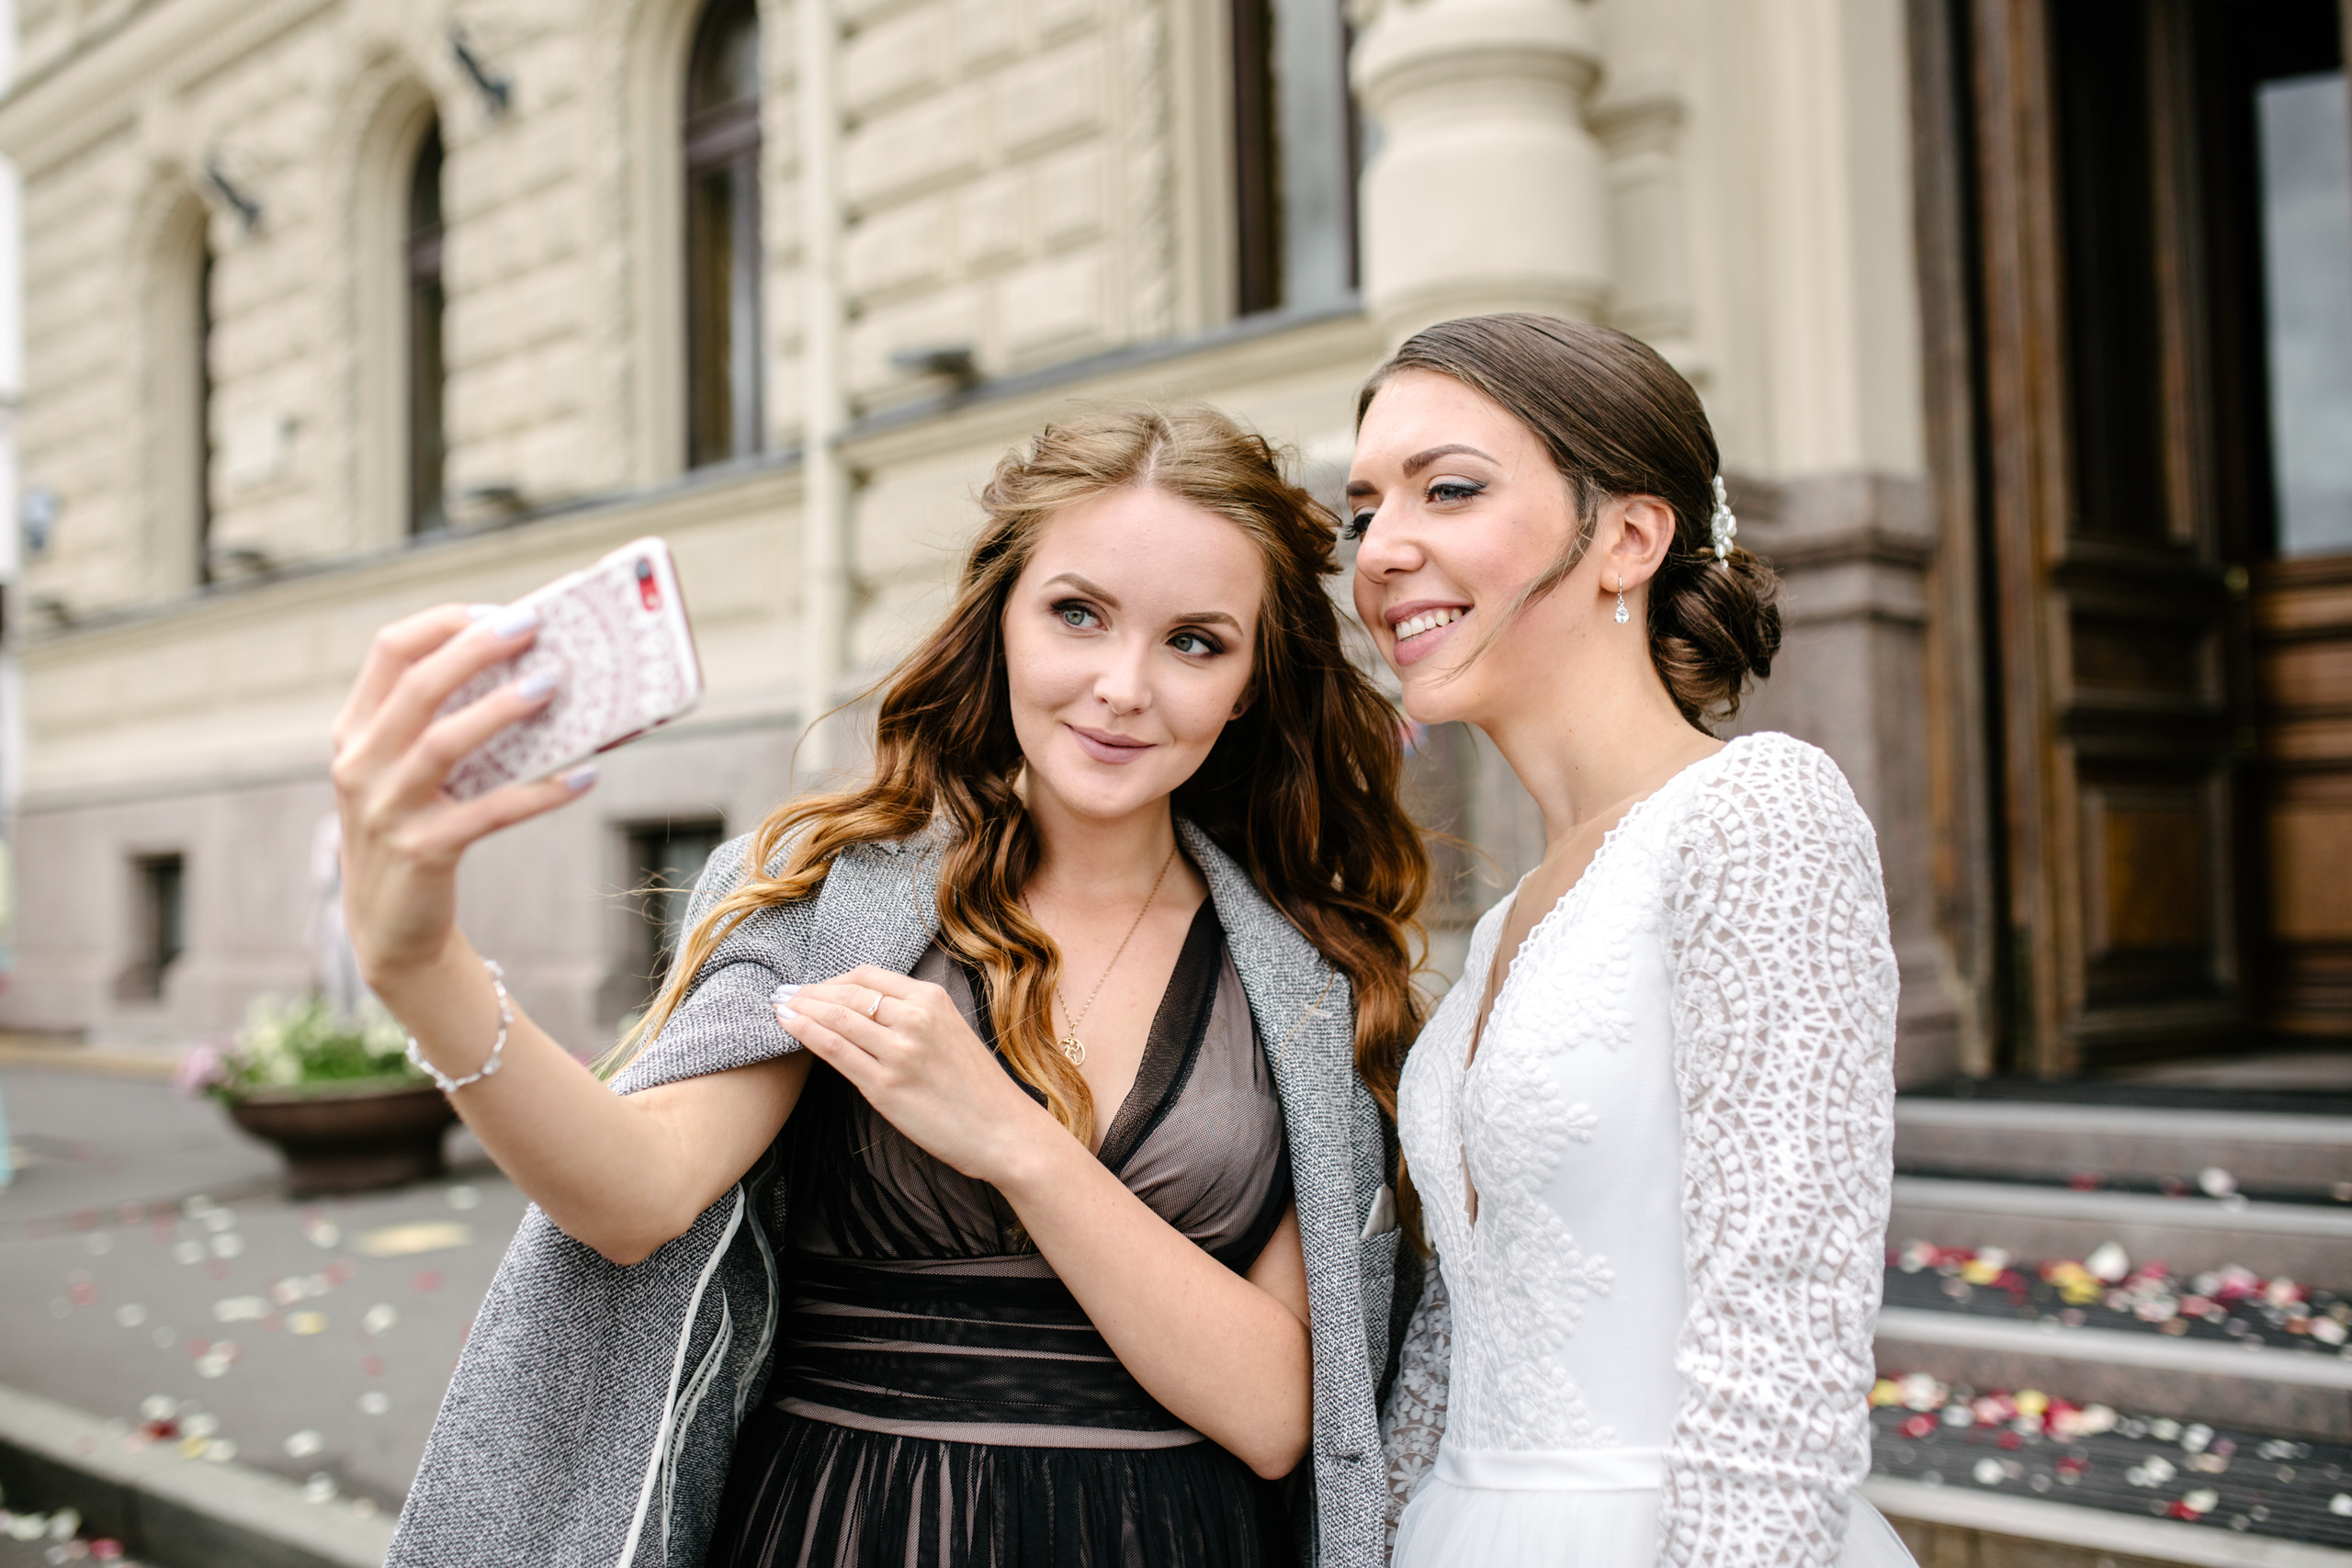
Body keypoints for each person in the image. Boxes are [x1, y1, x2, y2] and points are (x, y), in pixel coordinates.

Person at [334, 405, 1428, 1568]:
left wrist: (1013, 1139)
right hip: (845, 1527)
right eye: (1077, 614)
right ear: (1000, 621)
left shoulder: (1310, 982)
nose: (1122, 685)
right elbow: (631, 1195)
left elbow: (1273, 1419)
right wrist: (418, 968)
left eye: (1195, 642)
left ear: (1251, 682)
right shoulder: (835, 902)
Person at [1353, 315, 1915, 1565]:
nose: (1384, 548)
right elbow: (1462, 1328)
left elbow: (1785, 1319)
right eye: (1364, 509)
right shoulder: (1513, 915)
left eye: (1448, 487)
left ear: (1629, 536)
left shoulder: (1757, 814)